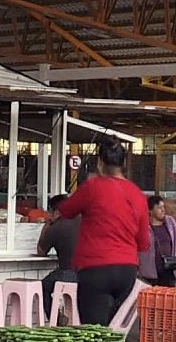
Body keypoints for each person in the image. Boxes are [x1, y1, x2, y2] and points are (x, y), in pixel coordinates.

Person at [58, 139, 150, 325]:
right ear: (124, 163)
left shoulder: (92, 187)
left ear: (100, 162)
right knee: (113, 330)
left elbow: (66, 211)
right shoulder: (138, 194)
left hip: (95, 268)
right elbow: (143, 243)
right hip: (127, 271)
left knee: (93, 331)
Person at [36, 194, 79, 320]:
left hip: (68, 272)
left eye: (50, 212)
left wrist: (45, 227)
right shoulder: (83, 220)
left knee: (42, 287)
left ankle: (56, 320)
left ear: (56, 212)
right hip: (90, 273)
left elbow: (41, 252)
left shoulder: (56, 227)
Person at [138, 195, 176, 287]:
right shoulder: (143, 225)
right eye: (159, 208)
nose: (163, 210)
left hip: (169, 269)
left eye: (163, 207)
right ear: (150, 211)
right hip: (149, 272)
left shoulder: (170, 222)